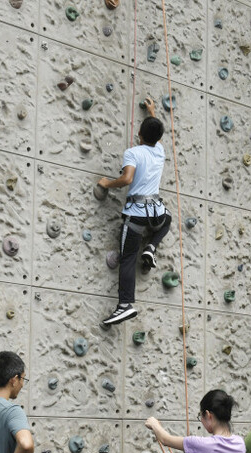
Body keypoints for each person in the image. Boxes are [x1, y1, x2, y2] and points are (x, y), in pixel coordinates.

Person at [97, 99, 171, 326]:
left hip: (136, 215)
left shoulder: (133, 152)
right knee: (168, 218)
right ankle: (151, 247)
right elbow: (155, 136)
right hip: (156, 213)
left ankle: (125, 305)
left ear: (139, 133)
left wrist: (107, 183)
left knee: (128, 258)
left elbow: (127, 178)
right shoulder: (160, 151)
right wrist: (152, 112)